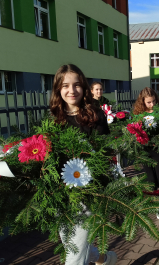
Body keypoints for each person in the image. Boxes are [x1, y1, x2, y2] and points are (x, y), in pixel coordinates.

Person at [50, 64, 116, 265]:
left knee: (74, 256)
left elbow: (105, 153)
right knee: (70, 242)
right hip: (61, 194)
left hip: (86, 192)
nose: (72, 90)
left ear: (84, 87)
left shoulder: (95, 115)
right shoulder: (54, 118)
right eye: (66, 85)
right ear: (58, 89)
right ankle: (105, 258)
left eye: (77, 85)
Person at [132, 87, 159, 219]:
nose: (152, 105)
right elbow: (134, 131)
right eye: (149, 102)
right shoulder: (139, 116)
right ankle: (157, 206)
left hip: (156, 149)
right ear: (143, 102)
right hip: (144, 150)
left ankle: (146, 195)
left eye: (153, 102)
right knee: (151, 180)